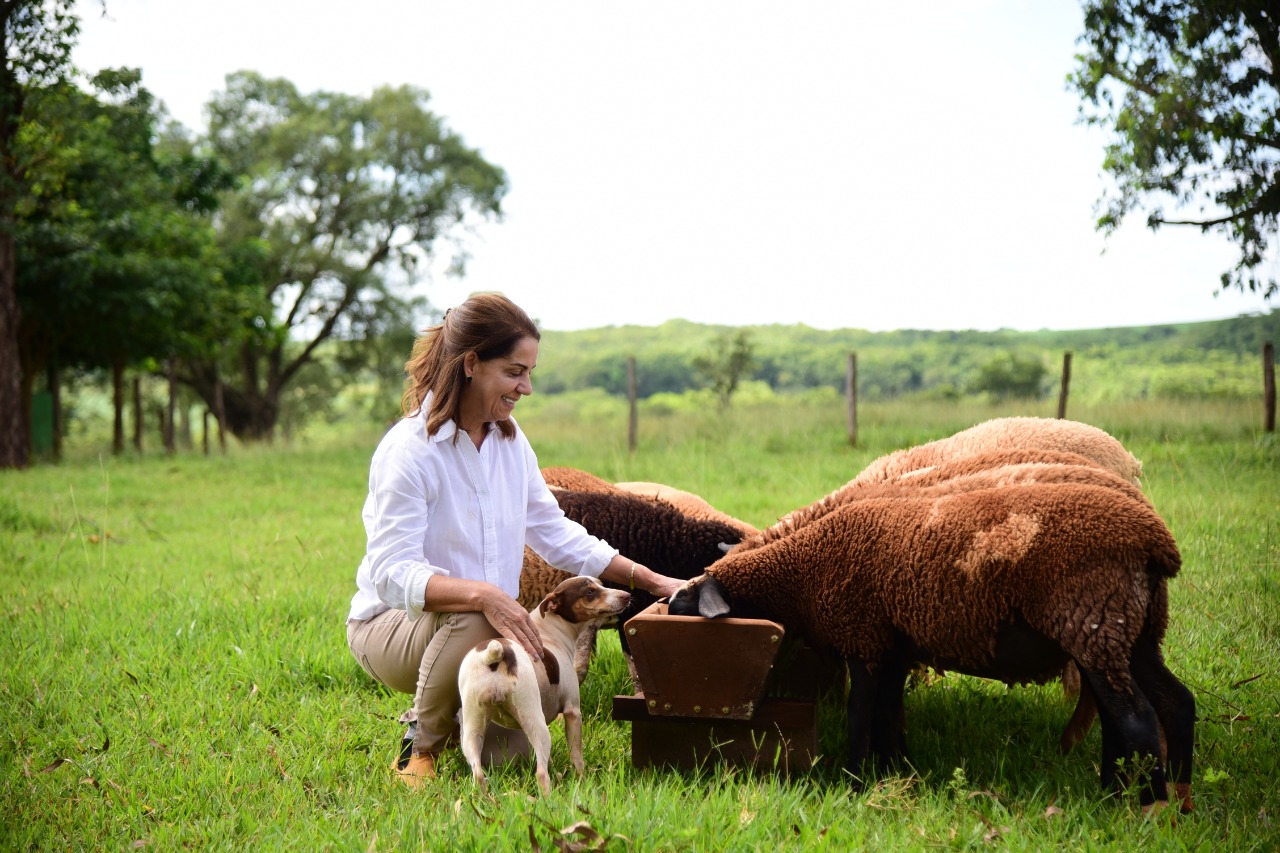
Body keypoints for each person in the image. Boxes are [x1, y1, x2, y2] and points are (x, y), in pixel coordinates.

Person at [346, 292, 684, 787]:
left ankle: (460, 714)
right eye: (514, 372)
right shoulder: (408, 452)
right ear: (470, 363)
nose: (525, 387)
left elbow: (554, 530)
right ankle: (418, 747)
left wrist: (652, 579)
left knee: (523, 747)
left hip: (474, 627)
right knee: (479, 610)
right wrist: (484, 594)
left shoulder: (509, 439)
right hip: (391, 628)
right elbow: (391, 574)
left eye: (529, 373)